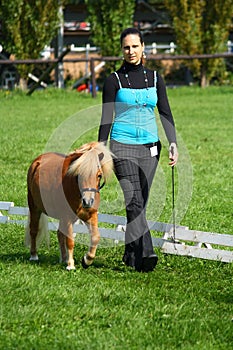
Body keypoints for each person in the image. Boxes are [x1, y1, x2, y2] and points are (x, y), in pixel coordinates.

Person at [98, 27, 178, 272]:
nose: (130, 51)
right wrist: (101, 149)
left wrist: (173, 143)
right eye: (126, 47)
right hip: (122, 147)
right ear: (121, 50)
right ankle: (147, 252)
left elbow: (165, 112)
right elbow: (106, 118)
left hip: (150, 148)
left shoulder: (155, 78)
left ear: (143, 47)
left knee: (139, 204)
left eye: (135, 46)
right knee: (134, 200)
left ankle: (130, 254)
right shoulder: (114, 80)